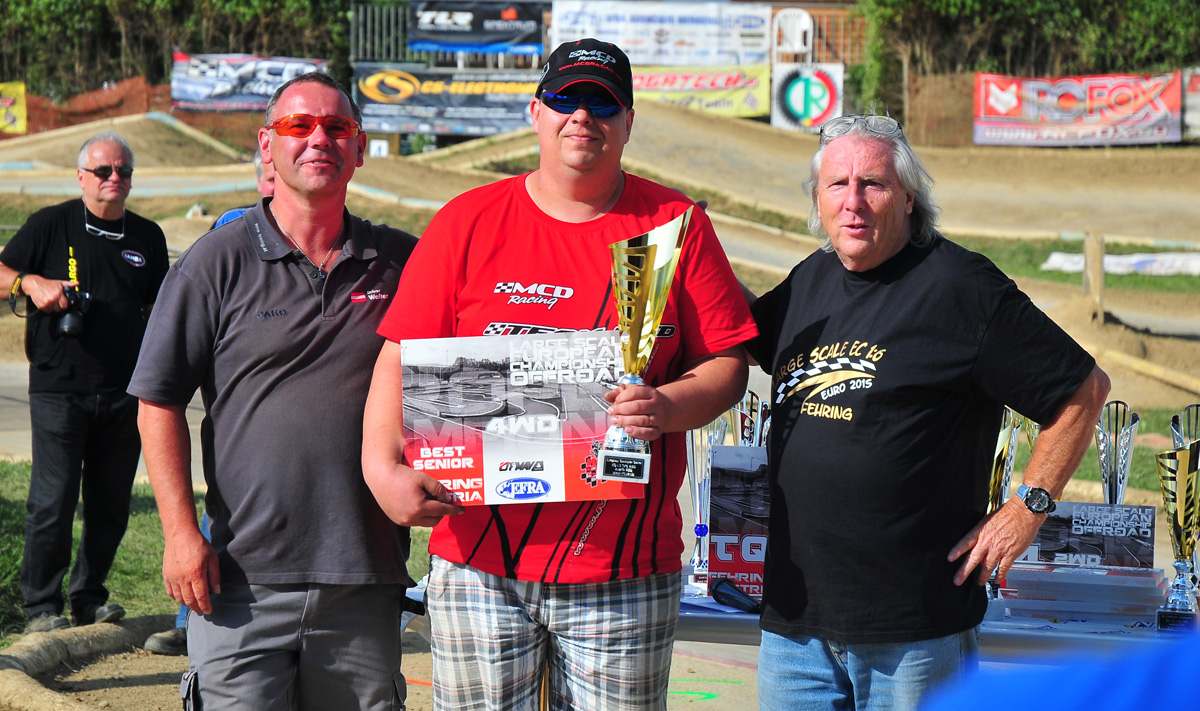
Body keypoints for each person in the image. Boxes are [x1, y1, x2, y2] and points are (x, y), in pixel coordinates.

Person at [361, 38, 758, 711]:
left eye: (602, 103)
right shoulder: (466, 221)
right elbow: (399, 353)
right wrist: (380, 469)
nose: (582, 116)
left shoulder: (672, 226)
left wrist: (666, 405)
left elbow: (727, 363)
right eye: (565, 98)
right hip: (479, 560)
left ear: (628, 122)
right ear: (536, 112)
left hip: (624, 569)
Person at [745, 114, 1111, 711]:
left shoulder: (962, 287)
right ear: (817, 198)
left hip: (914, 635)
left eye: (873, 184)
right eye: (837, 184)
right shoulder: (810, 279)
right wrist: (688, 254)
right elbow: (743, 335)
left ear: (909, 198)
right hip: (794, 631)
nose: (853, 202)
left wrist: (1028, 508)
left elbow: (1083, 391)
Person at [128, 72, 418, 710]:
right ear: (267, 144)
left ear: (360, 147)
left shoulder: (405, 263)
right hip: (240, 581)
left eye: (337, 127)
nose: (319, 139)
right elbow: (157, 402)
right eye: (298, 125)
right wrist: (180, 534)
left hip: (364, 579)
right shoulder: (215, 261)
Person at [0, 132, 168, 633]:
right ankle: (41, 607)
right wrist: (30, 283)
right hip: (60, 386)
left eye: (123, 171)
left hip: (125, 391)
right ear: (81, 177)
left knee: (110, 505)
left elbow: (161, 308)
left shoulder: (147, 236)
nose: (114, 178)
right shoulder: (51, 224)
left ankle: (88, 598)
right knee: (52, 500)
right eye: (103, 170)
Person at [141, 146, 276, 658]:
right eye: (269, 176)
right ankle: (190, 619)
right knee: (218, 513)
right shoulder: (232, 229)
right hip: (242, 421)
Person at [210, 147, 276, 229]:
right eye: (273, 180)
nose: (280, 187)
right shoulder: (230, 221)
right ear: (259, 182)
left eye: (285, 179)